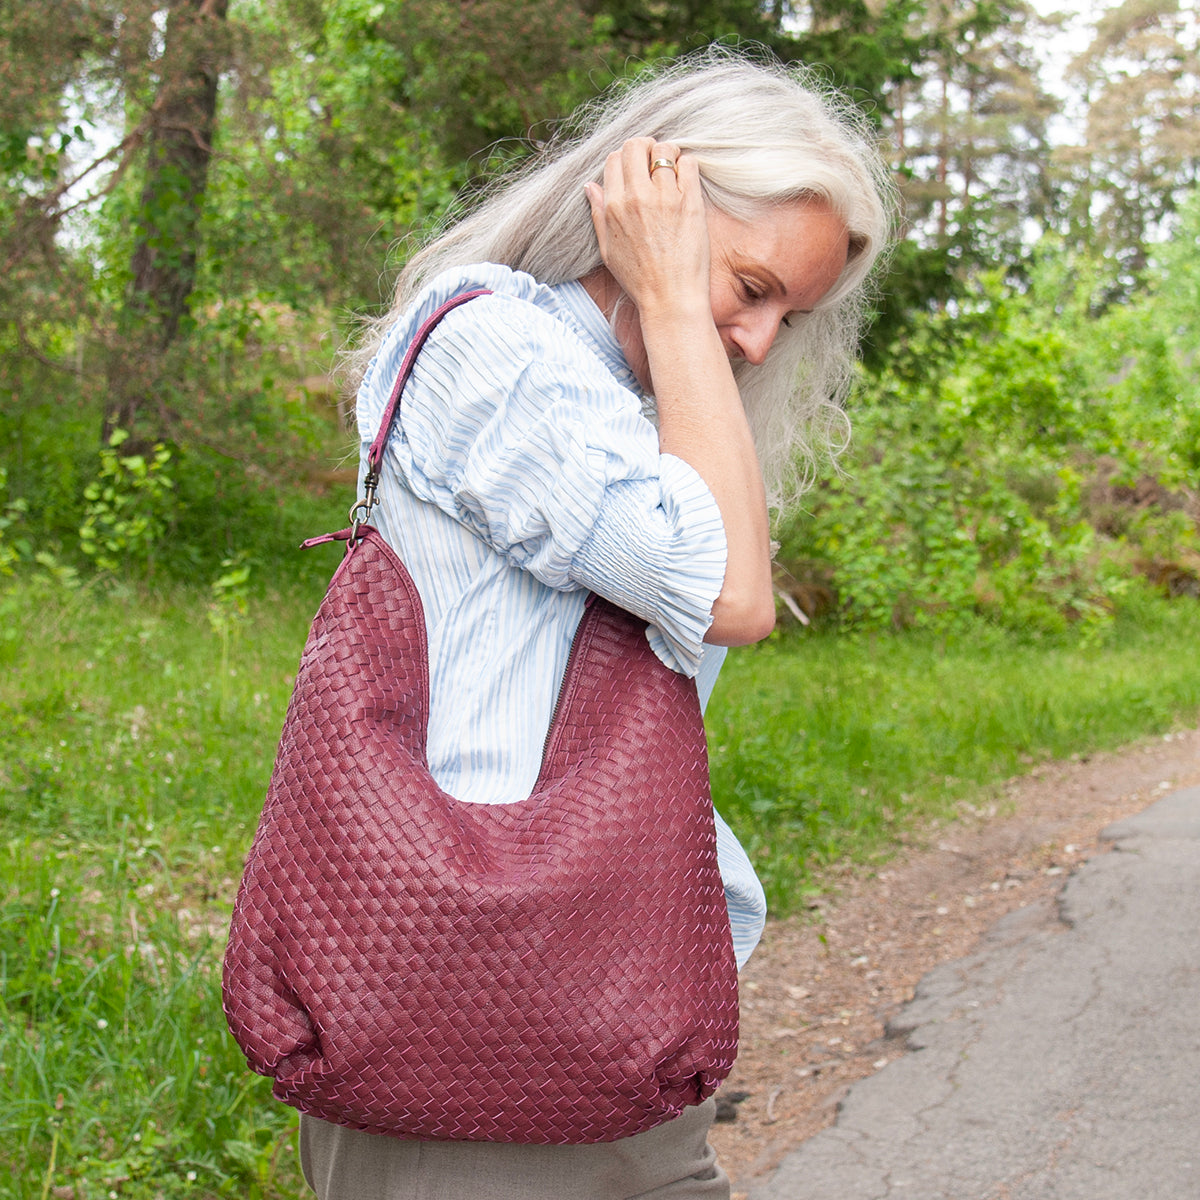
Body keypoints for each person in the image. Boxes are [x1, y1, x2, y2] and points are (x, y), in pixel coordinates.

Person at [300, 48, 896, 1200]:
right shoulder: (495, 349)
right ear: (654, 214)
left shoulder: (632, 410)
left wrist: (686, 319)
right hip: (468, 1004)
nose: (762, 345)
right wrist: (676, 295)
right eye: (754, 287)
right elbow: (727, 596)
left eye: (794, 316)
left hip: (591, 1000)